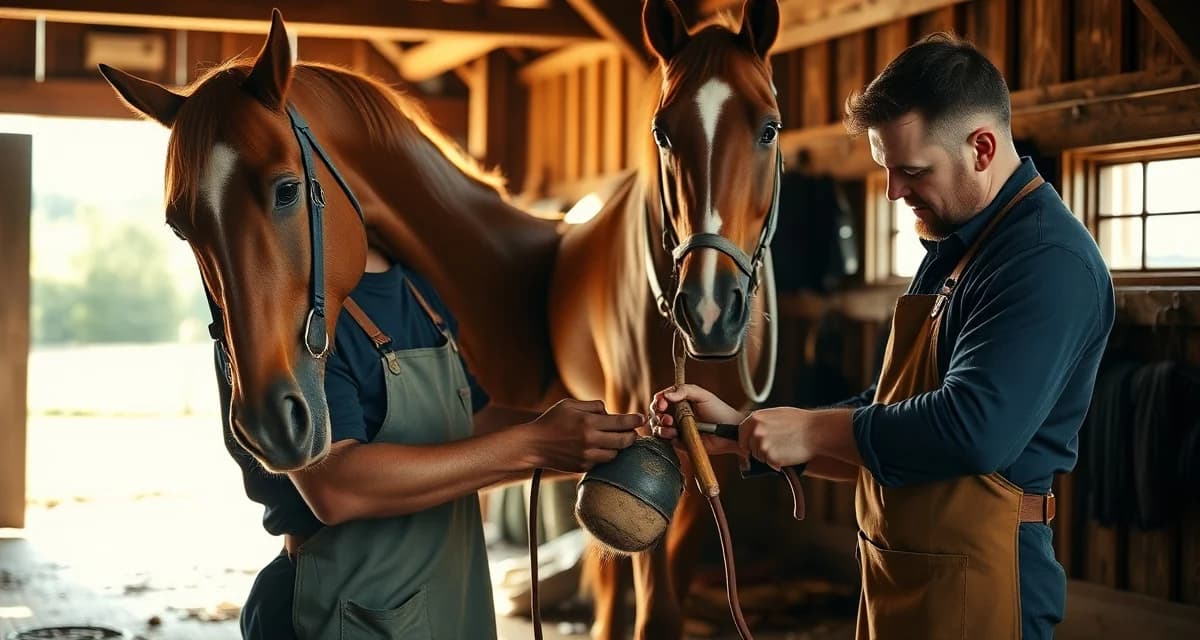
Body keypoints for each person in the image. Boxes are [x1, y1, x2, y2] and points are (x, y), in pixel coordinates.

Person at [651, 33, 1114, 640]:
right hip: (906, 573)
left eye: (911, 171)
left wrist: (808, 429)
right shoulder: (953, 247)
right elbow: (892, 413)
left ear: (982, 147)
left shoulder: (1044, 261)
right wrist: (741, 433)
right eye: (886, 170)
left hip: (983, 586)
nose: (893, 192)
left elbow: (970, 431)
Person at [220, 246, 644, 639]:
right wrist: (536, 444)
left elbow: (469, 426)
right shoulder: (289, 308)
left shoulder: (415, 289)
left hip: (453, 604)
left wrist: (610, 441)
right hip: (347, 614)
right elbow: (336, 487)